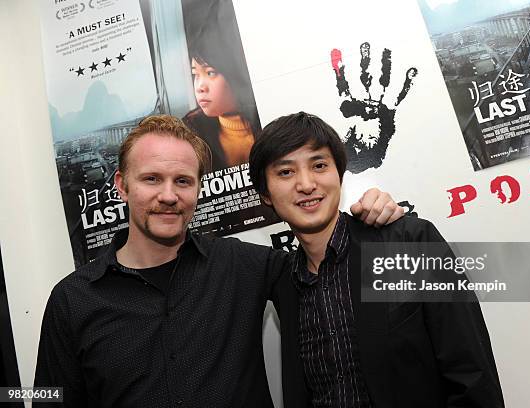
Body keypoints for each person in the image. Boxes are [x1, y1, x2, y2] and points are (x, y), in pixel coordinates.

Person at [34, 114, 404, 407]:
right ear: (121, 185)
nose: (168, 195)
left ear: (198, 187)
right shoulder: (72, 300)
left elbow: (328, 259)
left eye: (183, 181)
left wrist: (377, 223)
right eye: (151, 179)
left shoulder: (249, 267)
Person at [249, 112, 505, 407]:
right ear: (265, 194)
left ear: (339, 175)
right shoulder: (286, 283)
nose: (306, 184)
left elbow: (473, 374)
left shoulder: (408, 242)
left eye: (319, 165)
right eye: (285, 172)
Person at [182, 0, 258, 169]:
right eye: (195, 74)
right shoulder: (191, 132)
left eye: (210, 73)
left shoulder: (267, 121)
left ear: (235, 73)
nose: (200, 87)